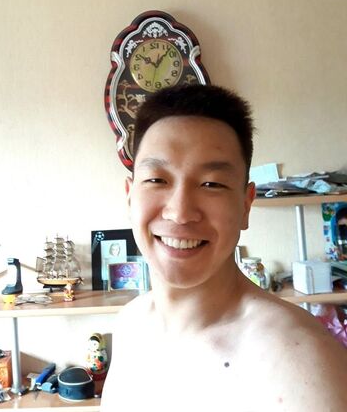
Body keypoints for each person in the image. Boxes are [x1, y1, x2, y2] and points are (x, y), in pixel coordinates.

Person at [100, 84, 347, 412]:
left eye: (211, 184)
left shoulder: (301, 363)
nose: (180, 212)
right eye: (157, 180)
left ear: (245, 206)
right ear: (130, 196)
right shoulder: (130, 325)